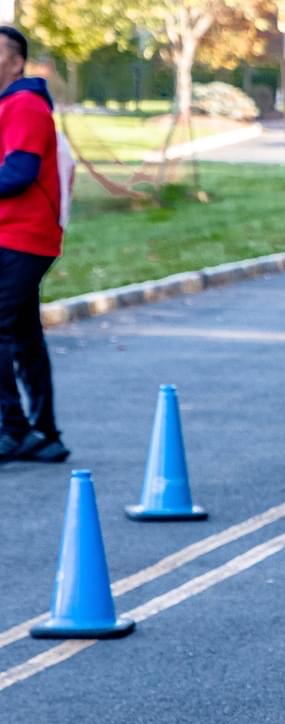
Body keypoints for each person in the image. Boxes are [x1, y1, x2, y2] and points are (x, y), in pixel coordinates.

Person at [0, 25, 69, 465]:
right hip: (16, 235)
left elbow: (20, 173)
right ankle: (45, 434)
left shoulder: (24, 104)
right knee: (23, 334)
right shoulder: (10, 105)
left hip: (22, 235)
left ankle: (13, 430)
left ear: (16, 62)